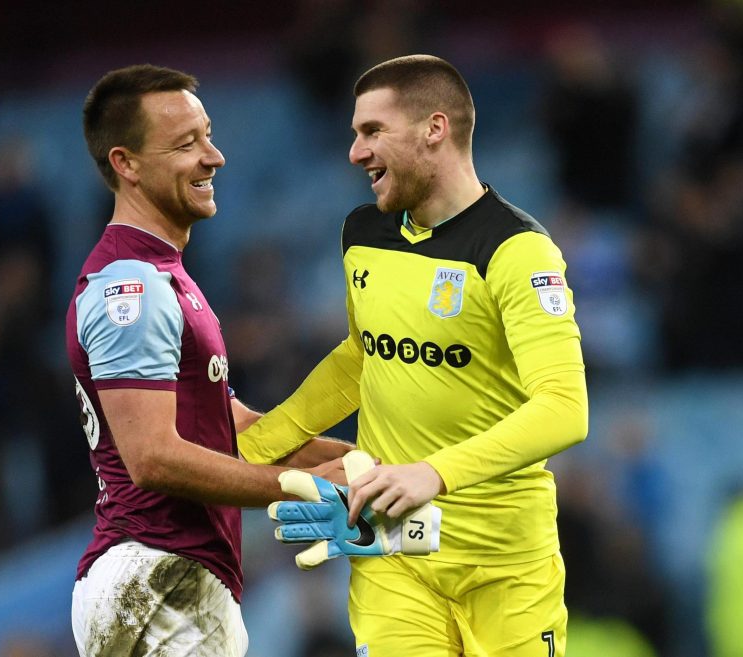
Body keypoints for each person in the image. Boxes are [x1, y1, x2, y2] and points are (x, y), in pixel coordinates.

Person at [239, 55, 588, 656]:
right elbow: (361, 357)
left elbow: (565, 408)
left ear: (434, 129)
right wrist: (258, 443)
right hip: (394, 551)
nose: (355, 151)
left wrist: (432, 473)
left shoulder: (517, 251)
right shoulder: (363, 234)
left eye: (372, 131)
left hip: (503, 564)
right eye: (354, 133)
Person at [66, 64, 352, 657]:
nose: (213, 156)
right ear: (127, 164)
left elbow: (238, 431)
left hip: (175, 580)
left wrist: (376, 465)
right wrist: (303, 488)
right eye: (186, 143)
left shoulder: (164, 278)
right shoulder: (133, 289)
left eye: (208, 135)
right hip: (155, 576)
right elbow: (152, 457)